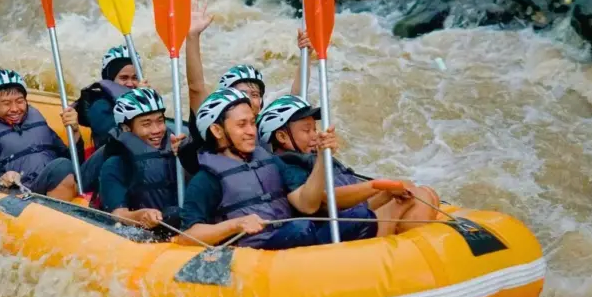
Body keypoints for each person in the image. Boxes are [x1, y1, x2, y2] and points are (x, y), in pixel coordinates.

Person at [257, 95, 441, 239]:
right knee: (412, 199)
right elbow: (323, 200)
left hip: (351, 213)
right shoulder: (285, 164)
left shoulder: (309, 155)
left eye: (314, 129)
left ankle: (412, 252)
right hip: (336, 225)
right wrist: (376, 186)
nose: (315, 135)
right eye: (306, 130)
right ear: (281, 137)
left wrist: (386, 191)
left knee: (421, 191)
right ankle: (404, 256)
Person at [176, 88, 337, 250]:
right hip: (256, 252)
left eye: (252, 123)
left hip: (290, 237)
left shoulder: (270, 160)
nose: (251, 131)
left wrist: (322, 157)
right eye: (242, 125)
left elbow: (307, 205)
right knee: (300, 228)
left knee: (347, 218)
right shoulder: (206, 179)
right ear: (217, 130)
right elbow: (187, 236)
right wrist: (235, 225)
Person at [0, 69, 85, 201]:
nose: (15, 109)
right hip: (27, 194)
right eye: (6, 103)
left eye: (20, 101)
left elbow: (74, 162)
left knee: (104, 153)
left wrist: (75, 131)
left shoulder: (37, 122)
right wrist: (3, 177)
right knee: (62, 166)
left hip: (60, 179)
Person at [97, 88, 196, 233]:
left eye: (160, 121)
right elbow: (118, 215)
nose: (156, 130)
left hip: (182, 226)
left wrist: (187, 155)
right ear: (126, 128)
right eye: (146, 124)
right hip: (144, 234)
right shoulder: (115, 165)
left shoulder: (178, 149)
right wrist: (140, 215)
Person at [73, 45, 146, 148]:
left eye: (135, 78)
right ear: (110, 79)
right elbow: (117, 140)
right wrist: (137, 101)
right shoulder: (99, 106)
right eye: (124, 78)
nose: (130, 83)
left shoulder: (147, 100)